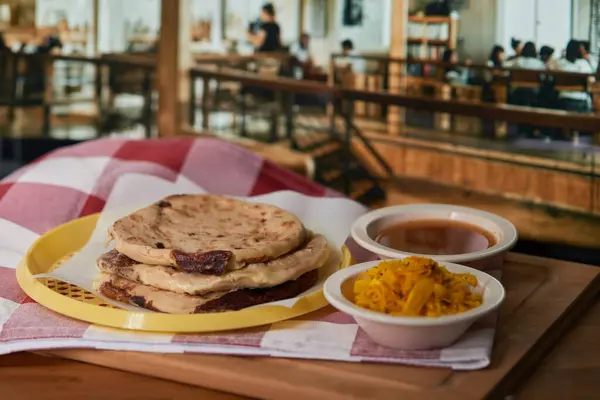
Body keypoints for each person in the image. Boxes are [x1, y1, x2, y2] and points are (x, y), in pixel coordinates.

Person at [556, 39, 594, 113]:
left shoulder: (559, 63)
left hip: (563, 98)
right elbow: (591, 80)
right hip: (580, 99)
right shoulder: (584, 64)